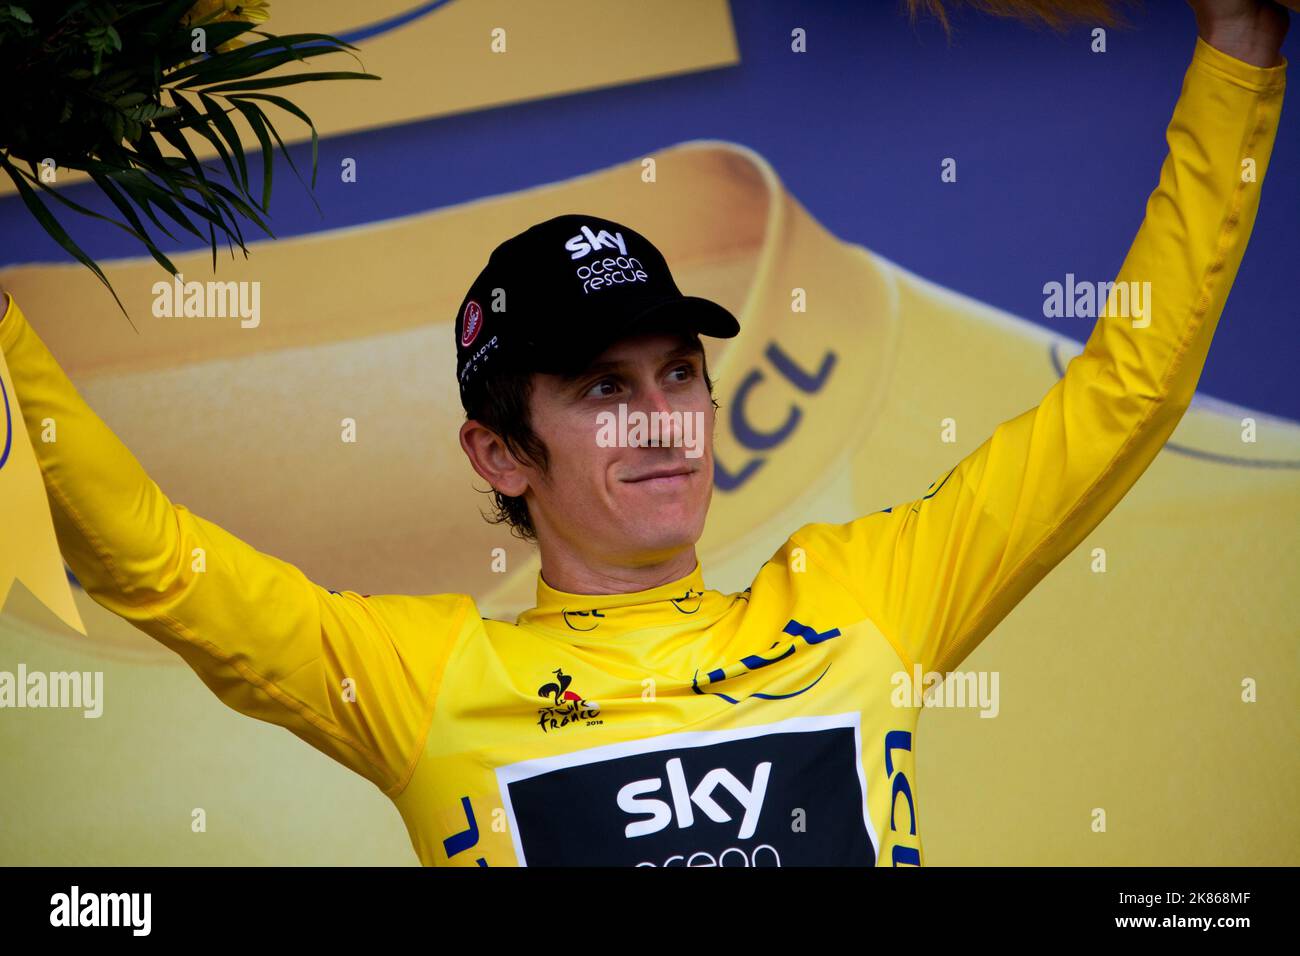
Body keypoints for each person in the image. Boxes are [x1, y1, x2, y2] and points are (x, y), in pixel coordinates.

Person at [0, 0, 1289, 866]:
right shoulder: (421, 676)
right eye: (605, 389)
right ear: (500, 455)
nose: (669, 420)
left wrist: (1239, 45)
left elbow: (1130, 390)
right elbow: (151, 562)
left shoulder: (865, 597)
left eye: (680, 371)